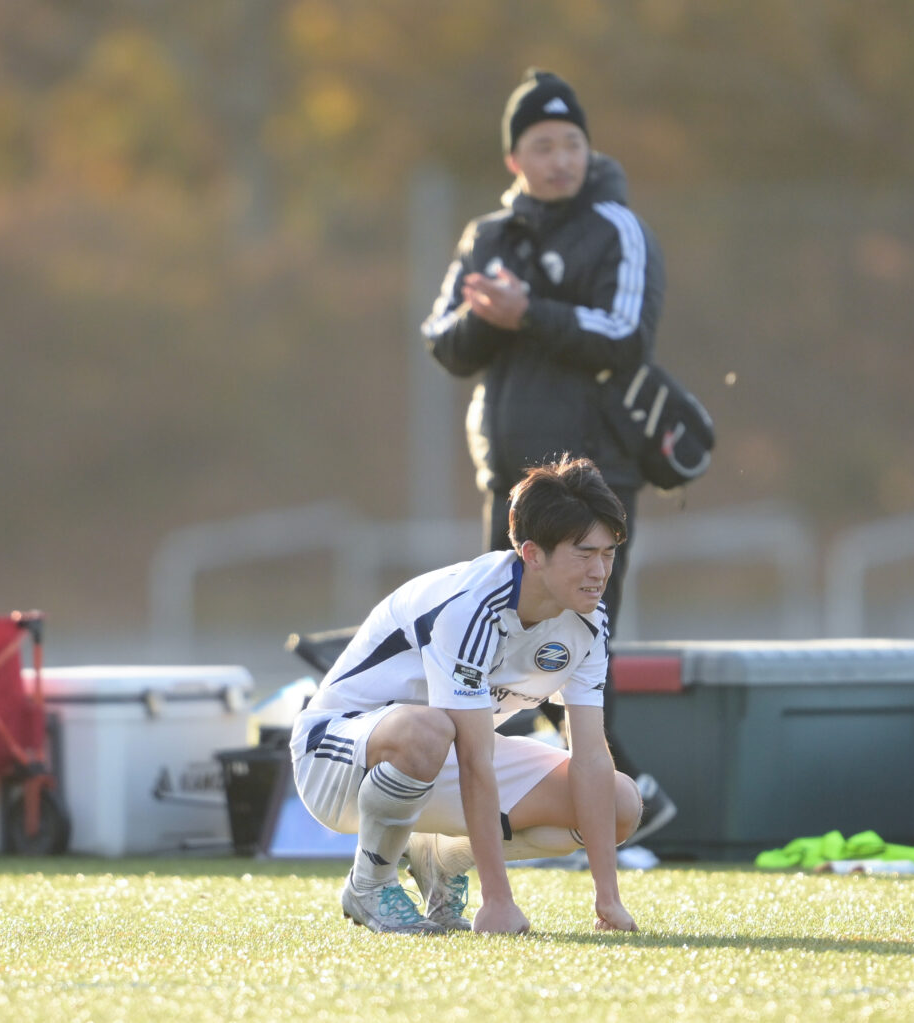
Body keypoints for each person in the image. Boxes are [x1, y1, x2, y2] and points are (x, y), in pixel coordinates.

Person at [420, 68, 673, 846]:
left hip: (593, 486)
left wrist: (530, 311)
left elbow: (626, 335)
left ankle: (620, 809)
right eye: (542, 145)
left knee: (578, 648)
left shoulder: (616, 228)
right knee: (498, 652)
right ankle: (561, 810)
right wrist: (493, 316)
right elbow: (444, 342)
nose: (560, 159)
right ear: (513, 159)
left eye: (571, 143)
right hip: (511, 488)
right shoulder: (489, 237)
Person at [288, 456, 642, 935]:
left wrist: (608, 900)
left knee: (620, 803)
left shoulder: (589, 622)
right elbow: (476, 759)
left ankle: (440, 857)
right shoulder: (471, 607)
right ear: (533, 554)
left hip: (443, 757)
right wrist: (498, 901)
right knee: (429, 727)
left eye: (608, 553)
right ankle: (369, 885)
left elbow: (591, 758)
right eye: (584, 554)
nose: (599, 571)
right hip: (333, 759)